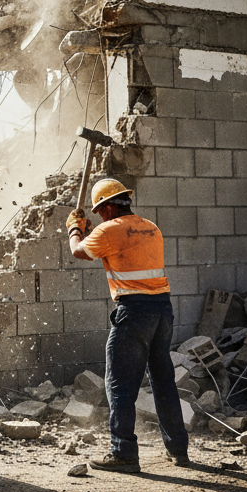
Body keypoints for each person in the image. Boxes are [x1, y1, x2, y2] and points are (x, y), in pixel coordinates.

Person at [67, 178, 190, 473]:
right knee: (163, 382)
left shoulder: (110, 229)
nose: (98, 216)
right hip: (163, 310)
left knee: (120, 384)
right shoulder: (151, 227)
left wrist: (74, 228)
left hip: (133, 312)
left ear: (108, 207)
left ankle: (123, 453)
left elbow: (78, 252)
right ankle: (179, 451)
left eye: (98, 211)